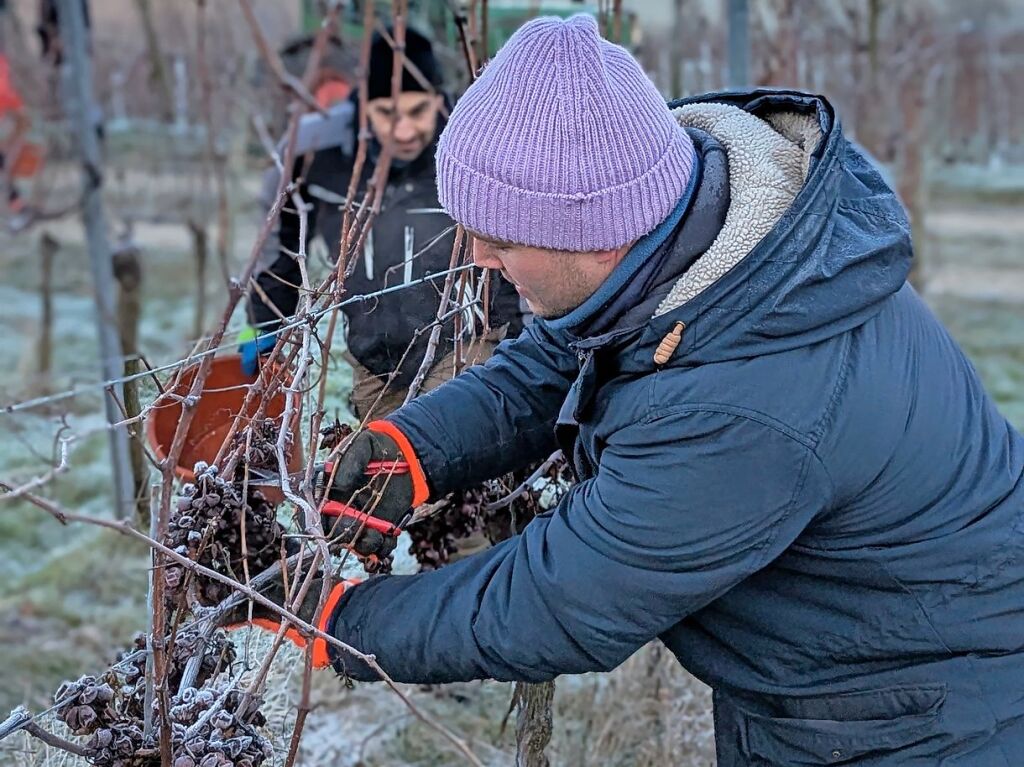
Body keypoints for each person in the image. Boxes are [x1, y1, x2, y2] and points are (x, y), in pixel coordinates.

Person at [230, 15, 1024, 764]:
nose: (476, 256)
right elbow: (552, 360)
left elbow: (559, 597)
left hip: (917, 713)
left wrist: (333, 623)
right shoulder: (693, 244)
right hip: (820, 667)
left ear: (599, 231)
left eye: (501, 236)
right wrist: (414, 449)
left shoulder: (743, 406)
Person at [243, 27, 525, 569]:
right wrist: (259, 332)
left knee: (448, 469)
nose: (404, 129)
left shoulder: (470, 153)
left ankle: (477, 578)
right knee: (387, 484)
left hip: (459, 342)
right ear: (360, 107)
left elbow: (508, 248)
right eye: (386, 113)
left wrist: (510, 336)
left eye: (419, 111)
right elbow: (277, 254)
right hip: (372, 353)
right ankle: (423, 583)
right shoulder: (318, 160)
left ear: (441, 102)